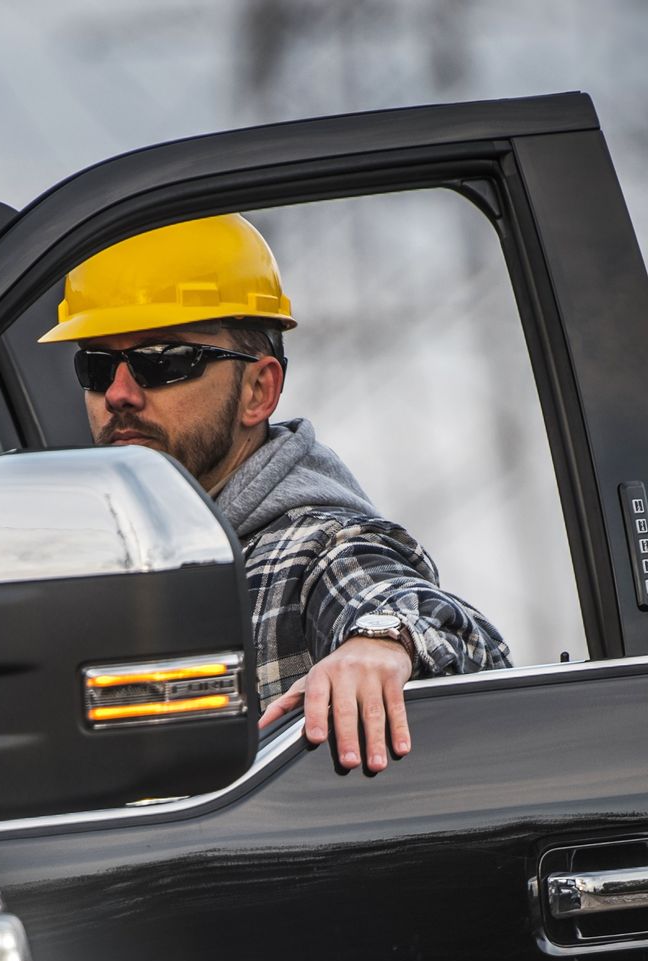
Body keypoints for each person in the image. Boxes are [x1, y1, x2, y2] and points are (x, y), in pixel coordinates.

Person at [38, 214, 510, 773]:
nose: (119, 393)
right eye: (96, 365)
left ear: (259, 390)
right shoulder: (89, 571)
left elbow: (442, 626)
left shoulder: (313, 547)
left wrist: (380, 645)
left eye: (160, 361)